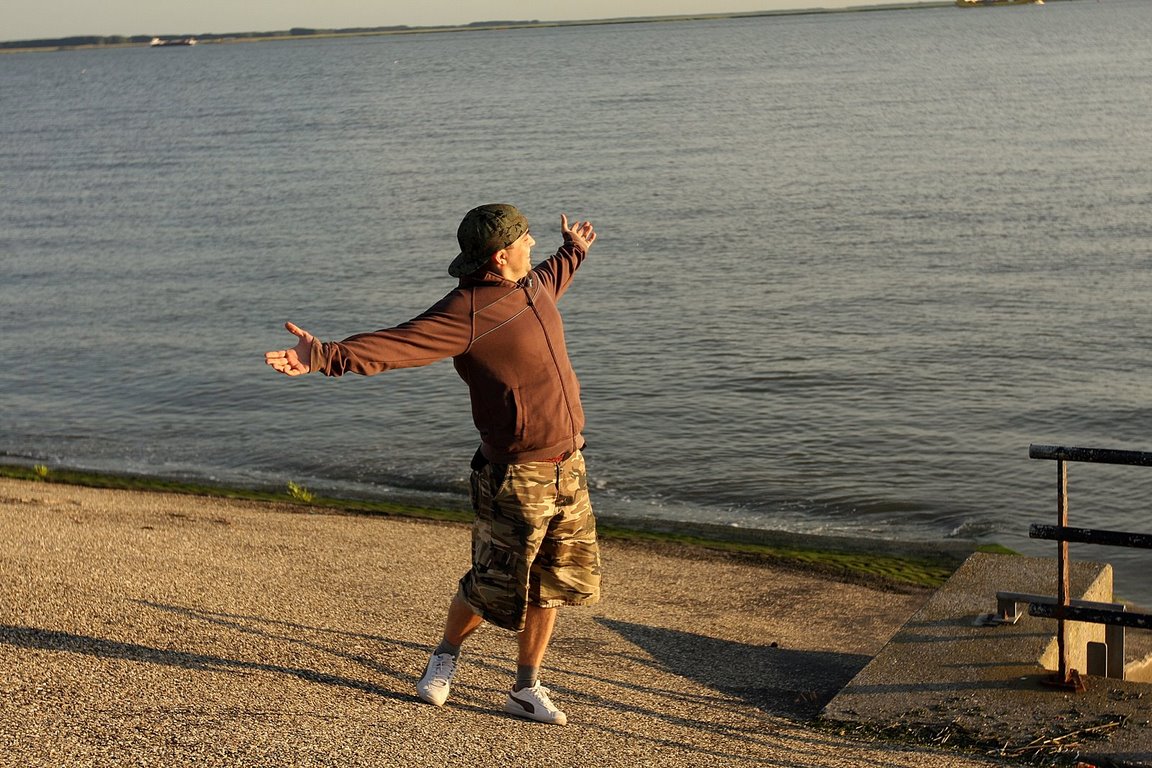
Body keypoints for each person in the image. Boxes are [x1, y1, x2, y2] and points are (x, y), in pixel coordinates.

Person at [264, 204, 602, 726]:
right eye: (526, 239)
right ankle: (444, 657)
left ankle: (526, 687)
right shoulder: (466, 313)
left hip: (568, 464)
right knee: (492, 583)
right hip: (515, 475)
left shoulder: (533, 286)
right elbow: (399, 344)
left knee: (550, 583)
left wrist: (573, 249)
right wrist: (325, 356)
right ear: (501, 254)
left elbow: (555, 272)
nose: (534, 244)